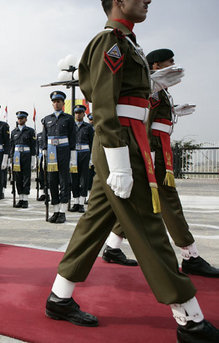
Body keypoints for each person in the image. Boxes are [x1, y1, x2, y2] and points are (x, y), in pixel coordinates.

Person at [45, 1, 219, 342]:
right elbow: (105, 104)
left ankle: (59, 298)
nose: (148, 1)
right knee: (149, 224)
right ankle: (190, 319)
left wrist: (152, 85)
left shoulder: (128, 44)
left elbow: (126, 96)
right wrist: (121, 164)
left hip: (128, 140)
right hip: (121, 143)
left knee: (95, 223)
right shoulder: (110, 41)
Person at [102, 48, 219, 277]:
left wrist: (174, 112)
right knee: (169, 202)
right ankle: (190, 255)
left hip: (157, 148)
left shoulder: (161, 91)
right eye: (169, 61)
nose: (173, 65)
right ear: (155, 66)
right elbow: (144, 121)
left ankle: (112, 246)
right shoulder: (153, 90)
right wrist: (148, 157)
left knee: (137, 202)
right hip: (154, 152)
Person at [41, 91, 76, 223]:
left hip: (64, 151)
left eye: (59, 101)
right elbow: (44, 137)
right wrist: (44, 150)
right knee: (52, 181)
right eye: (54, 102)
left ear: (63, 103)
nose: (56, 104)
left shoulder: (68, 118)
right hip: (51, 153)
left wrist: (73, 156)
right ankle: (55, 210)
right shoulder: (47, 119)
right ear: (52, 103)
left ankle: (62, 211)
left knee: (64, 181)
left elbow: (73, 137)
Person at [68, 105, 94, 213]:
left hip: (85, 153)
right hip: (73, 154)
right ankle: (76, 202)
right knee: (74, 178)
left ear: (84, 114)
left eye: (80, 112)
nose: (78, 114)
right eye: (76, 113)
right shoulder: (71, 126)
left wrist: (92, 157)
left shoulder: (88, 127)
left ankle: (82, 203)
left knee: (84, 179)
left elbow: (92, 143)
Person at [10, 111, 36, 208]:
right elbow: (11, 146)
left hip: (26, 155)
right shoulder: (14, 132)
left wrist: (33, 158)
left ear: (25, 119)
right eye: (19, 118)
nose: (20, 120)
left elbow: (33, 146)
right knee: (18, 178)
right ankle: (20, 198)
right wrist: (10, 159)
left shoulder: (30, 131)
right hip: (16, 156)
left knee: (26, 177)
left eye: (22, 118)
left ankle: (25, 199)